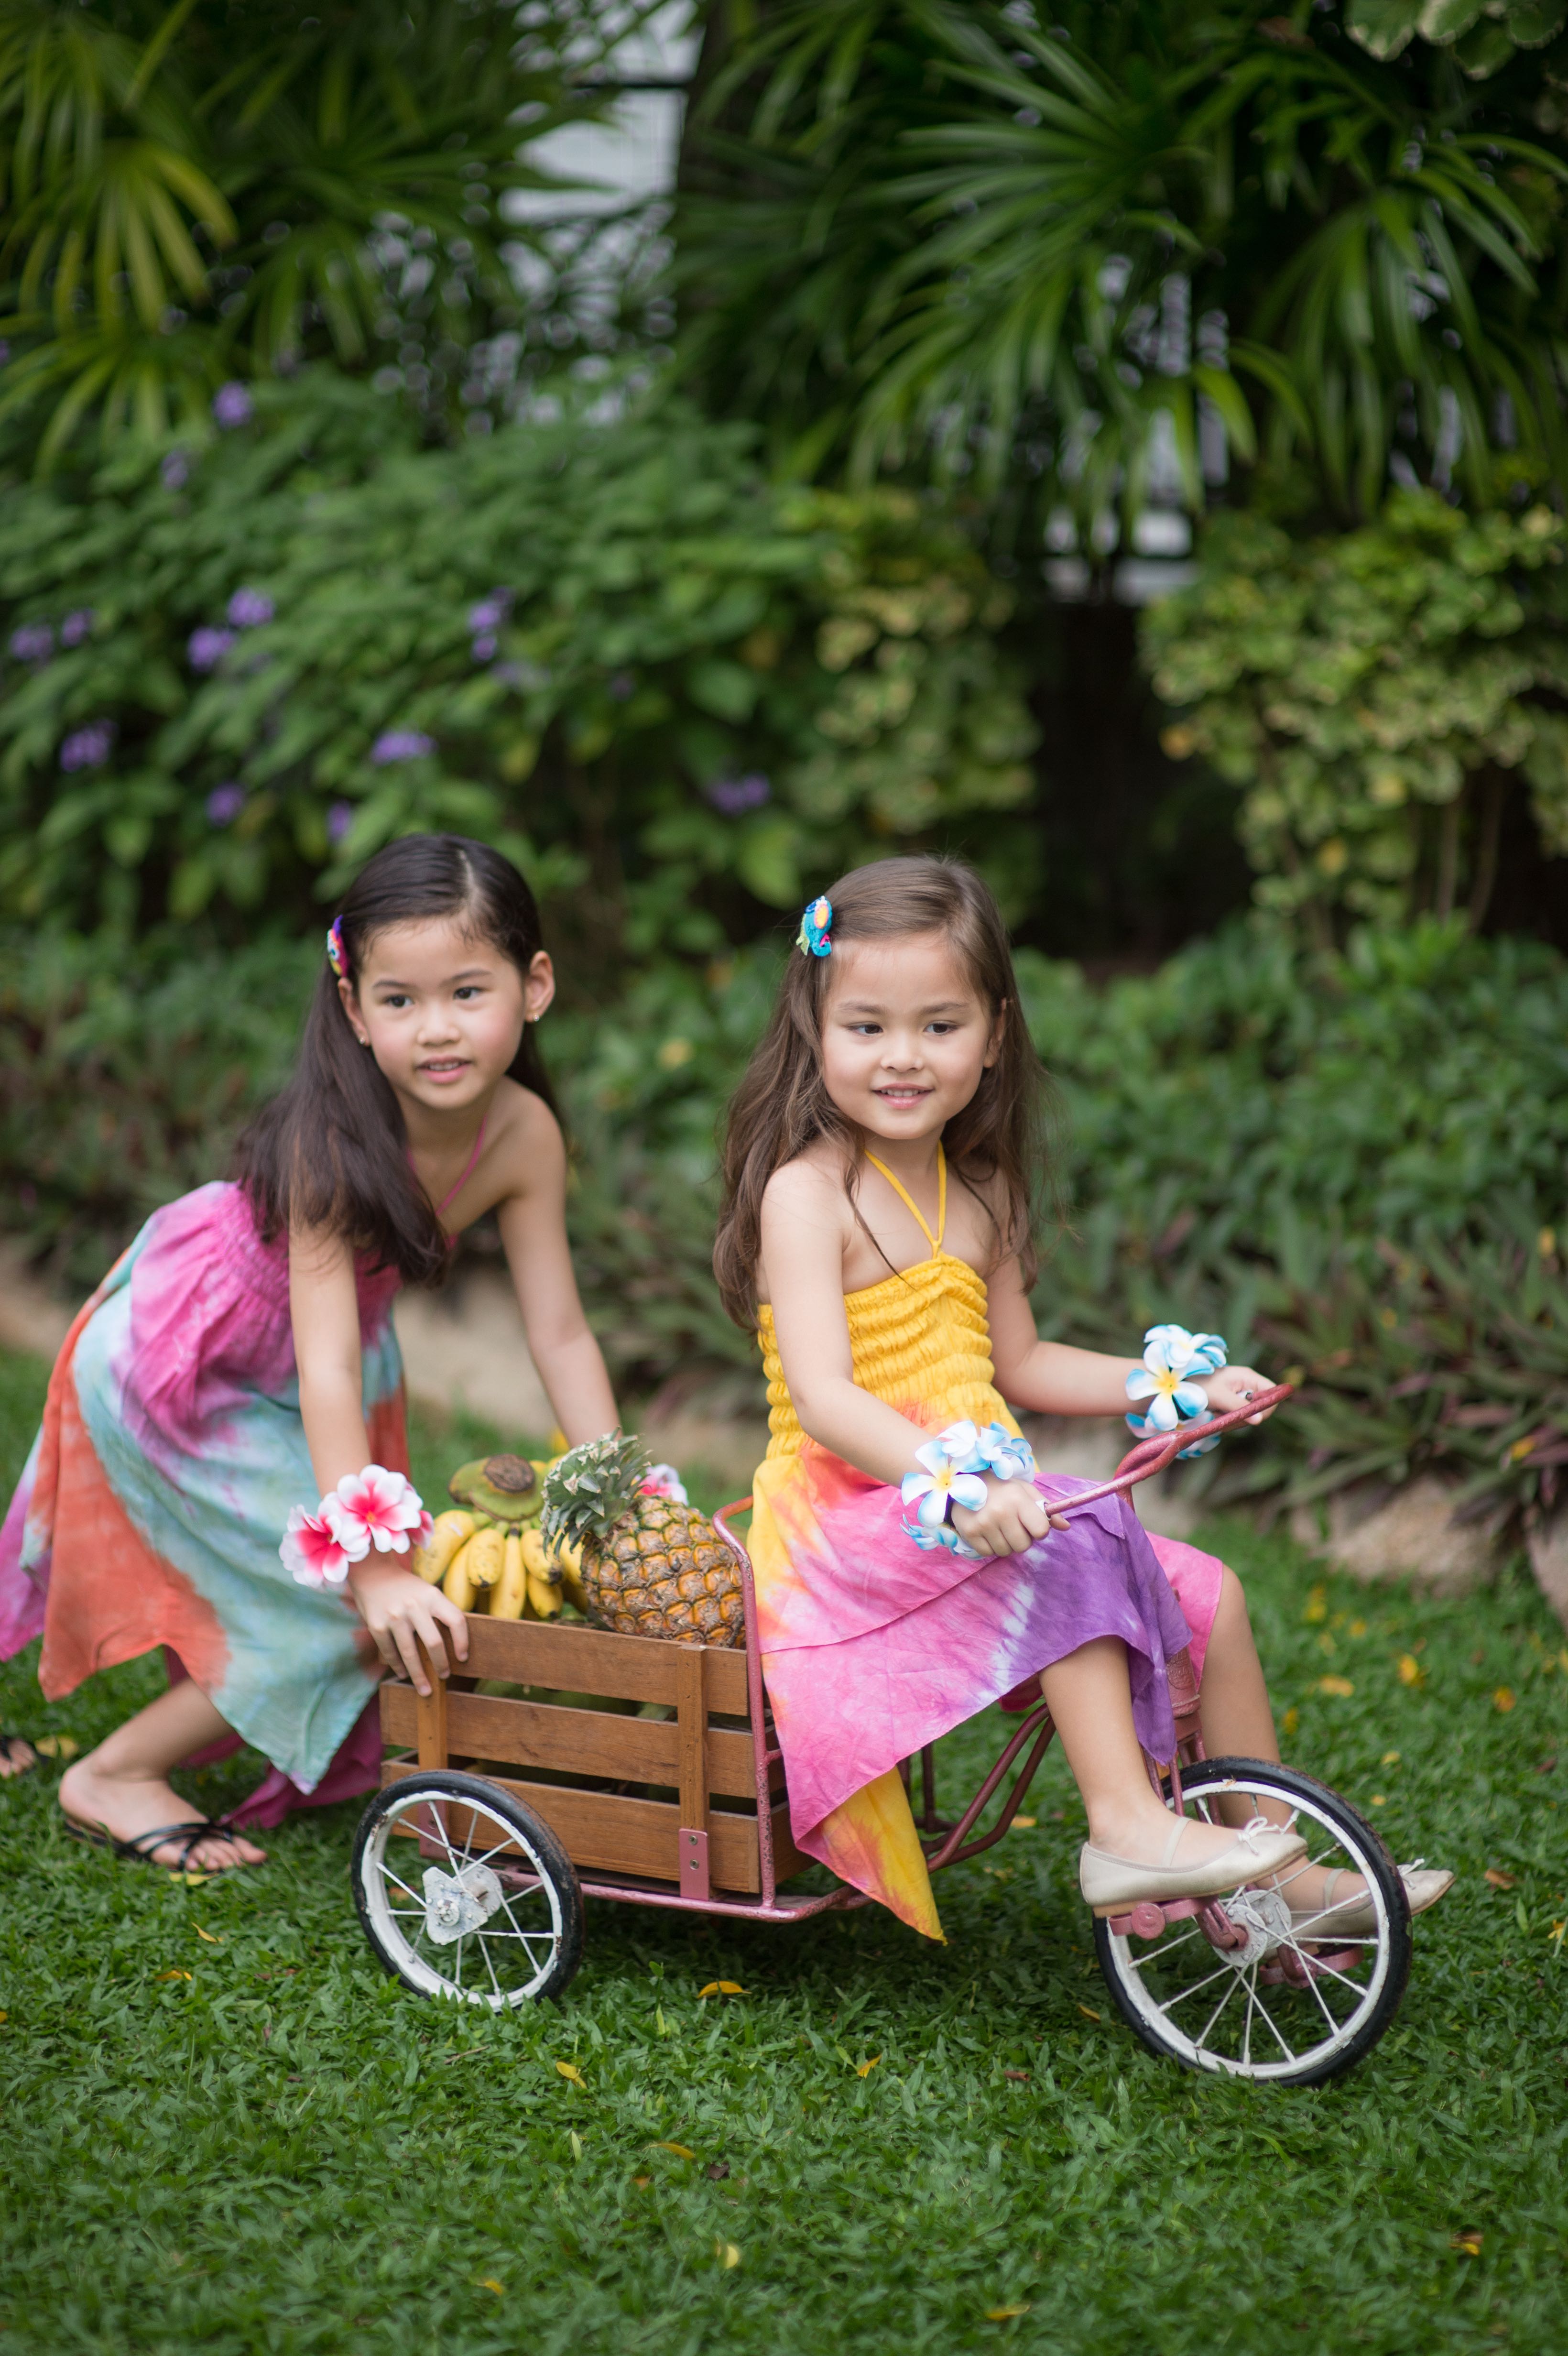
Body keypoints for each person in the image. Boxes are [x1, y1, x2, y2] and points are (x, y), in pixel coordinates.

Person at [713, 856, 1452, 1942]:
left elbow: (1019, 1364)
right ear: (814, 1030)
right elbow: (823, 1397)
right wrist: (957, 1479)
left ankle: (1275, 1869)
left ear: (993, 1035)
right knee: (1069, 1539)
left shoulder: (980, 1189)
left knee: (1209, 1597)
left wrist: (1169, 1387)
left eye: (938, 1025)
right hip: (851, 1519)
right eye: (866, 1027)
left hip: (978, 1505)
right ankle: (1125, 1826)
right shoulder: (806, 1194)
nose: (902, 1056)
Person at [0, 834, 617, 1874]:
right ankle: (113, 1775)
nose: (437, 1029)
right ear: (354, 1007)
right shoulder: (330, 1143)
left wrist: (619, 1491)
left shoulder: (525, 1135)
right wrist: (368, 1570)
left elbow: (558, 1330)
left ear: (536, 985)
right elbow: (322, 1364)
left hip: (325, 1361)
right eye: (399, 1000)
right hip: (191, 1355)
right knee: (342, 1604)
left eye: (468, 992)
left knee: (373, 1591)